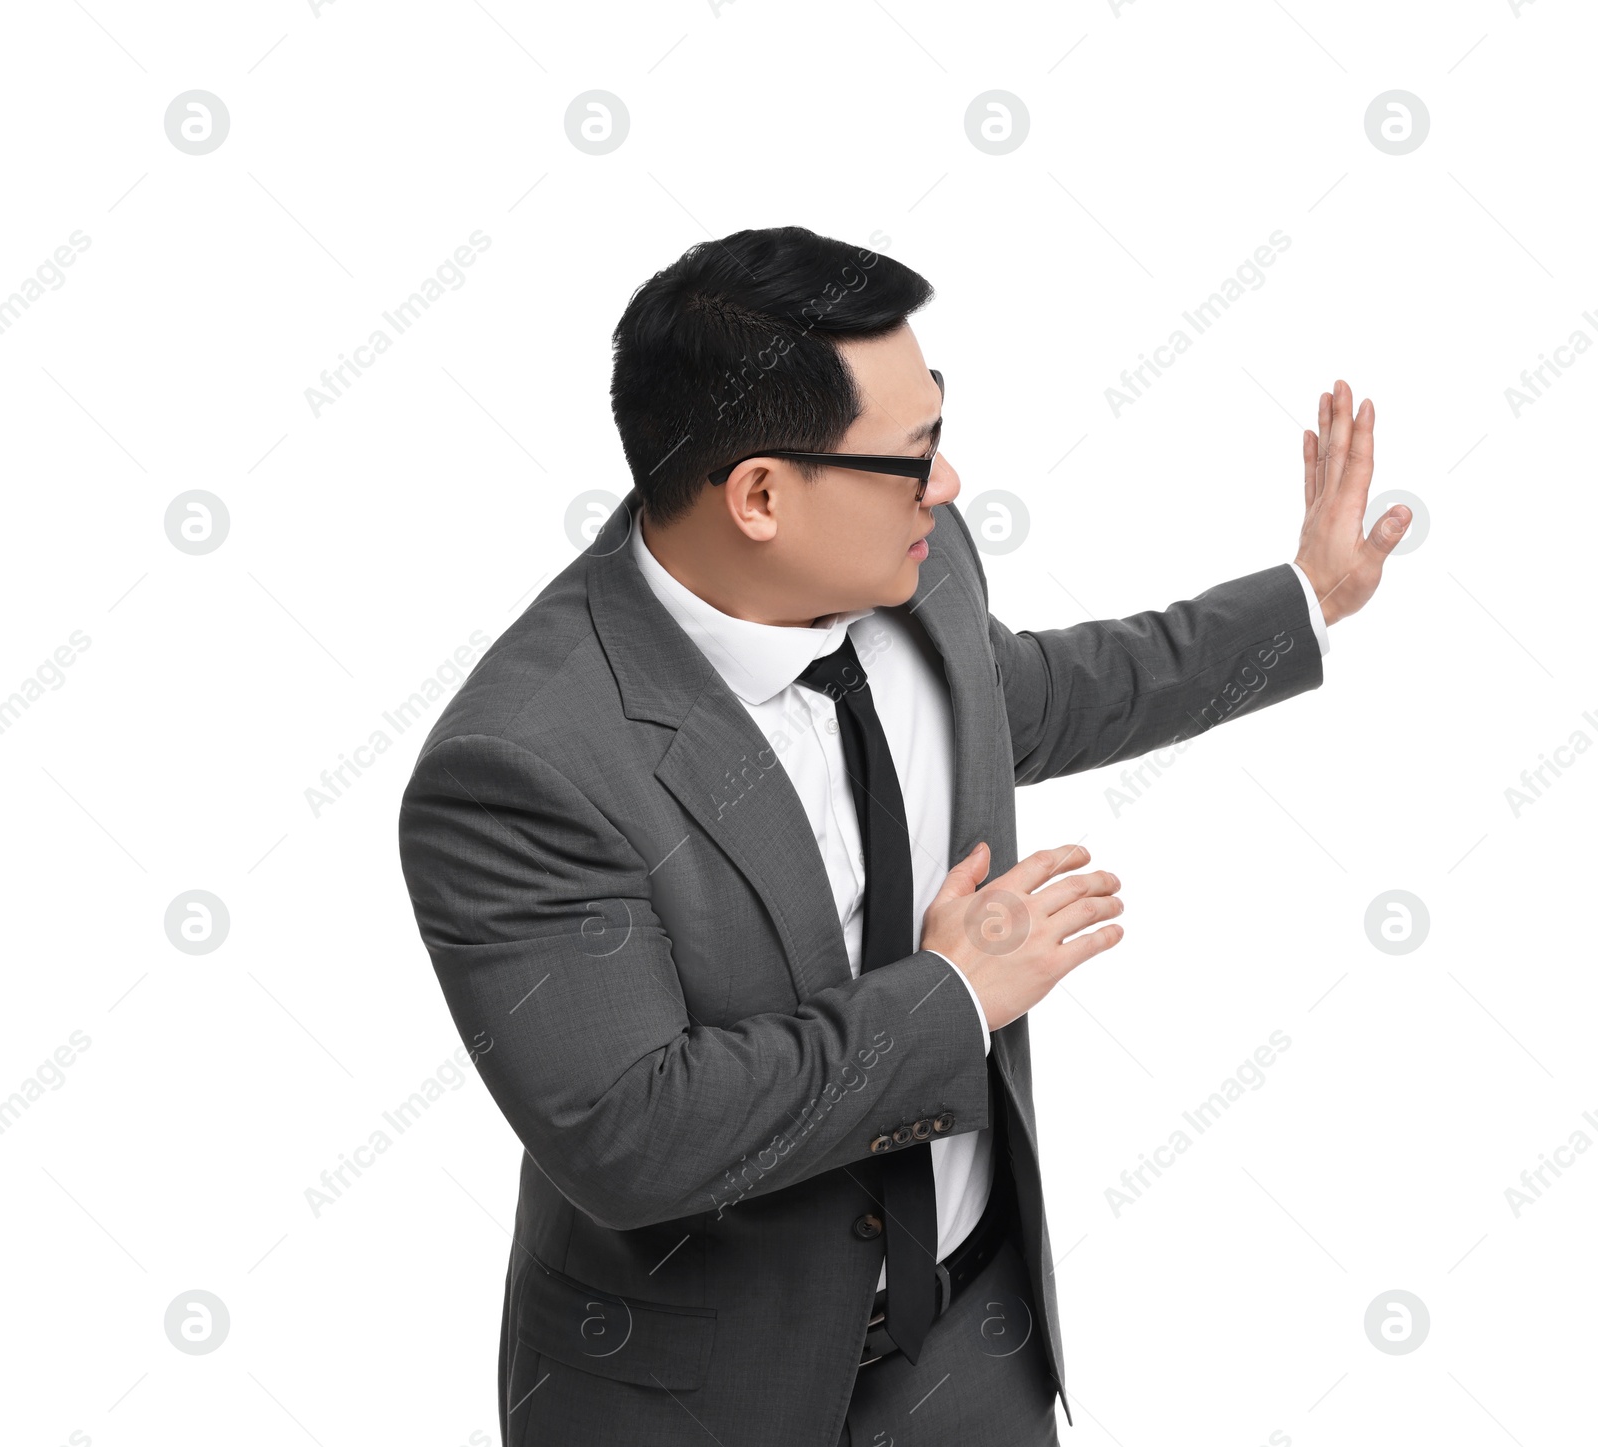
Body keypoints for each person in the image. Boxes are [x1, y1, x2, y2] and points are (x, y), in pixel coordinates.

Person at [396, 225, 1409, 1447]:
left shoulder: (914, 565)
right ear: (760, 495)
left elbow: (1020, 697)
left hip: (973, 1337)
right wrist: (953, 996)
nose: (948, 483)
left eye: (939, 426)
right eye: (911, 454)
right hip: (698, 1397)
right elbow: (633, 1134)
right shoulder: (525, 764)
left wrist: (1305, 596)